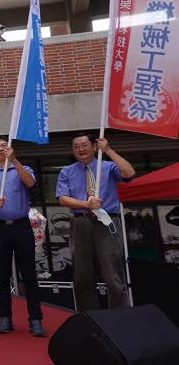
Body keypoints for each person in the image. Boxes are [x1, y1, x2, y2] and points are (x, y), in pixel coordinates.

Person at [56, 133, 135, 311]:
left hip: (107, 222)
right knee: (82, 276)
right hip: (80, 223)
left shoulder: (107, 167)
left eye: (84, 145)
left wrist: (108, 150)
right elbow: (62, 198)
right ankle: (89, 318)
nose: (81, 149)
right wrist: (86, 204)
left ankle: (118, 318)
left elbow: (129, 172)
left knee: (112, 274)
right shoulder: (67, 171)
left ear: (93, 146)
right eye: (76, 146)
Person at [0, 138, 45, 337]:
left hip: (22, 226)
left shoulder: (22, 169)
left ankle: (36, 319)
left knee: (29, 275)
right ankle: (5, 318)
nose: (1, 150)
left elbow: (31, 182)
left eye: (4, 147)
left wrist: (14, 161)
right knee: (3, 275)